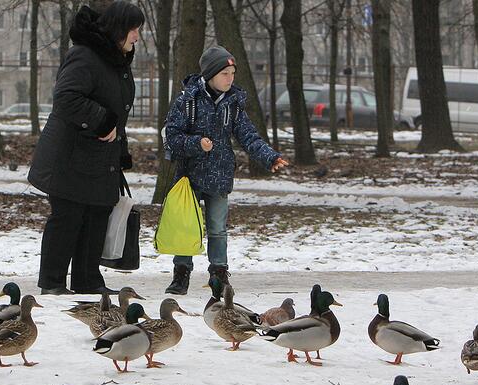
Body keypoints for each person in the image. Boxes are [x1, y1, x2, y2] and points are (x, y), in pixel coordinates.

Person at [28, 1, 144, 295]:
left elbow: (118, 112)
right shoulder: (85, 56)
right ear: (118, 28)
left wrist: (120, 149)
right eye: (134, 29)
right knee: (68, 218)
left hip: (100, 158)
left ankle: (87, 280)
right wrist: (102, 122)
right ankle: (53, 283)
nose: (136, 37)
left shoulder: (115, 61)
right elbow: (66, 98)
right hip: (70, 155)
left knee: (96, 216)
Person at [163, 45, 290, 295]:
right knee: (186, 225)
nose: (230, 79)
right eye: (225, 74)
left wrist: (269, 157)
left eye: (232, 73)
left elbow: (249, 136)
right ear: (210, 75)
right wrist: (196, 143)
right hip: (189, 176)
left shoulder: (233, 104)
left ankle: (219, 275)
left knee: (218, 228)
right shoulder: (187, 101)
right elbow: (172, 135)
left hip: (220, 176)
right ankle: (181, 274)